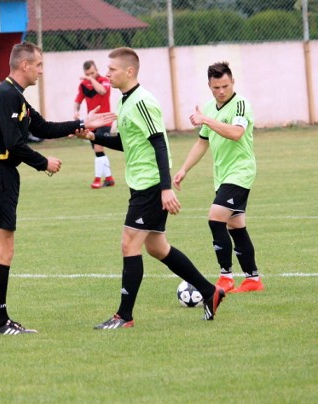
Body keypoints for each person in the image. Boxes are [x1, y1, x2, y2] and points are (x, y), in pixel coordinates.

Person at [75, 47, 225, 329]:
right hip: (141, 185)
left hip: (151, 185)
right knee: (157, 247)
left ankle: (124, 316)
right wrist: (93, 136)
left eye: (112, 70)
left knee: (129, 244)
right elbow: (127, 143)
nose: (107, 74)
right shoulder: (123, 102)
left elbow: (159, 143)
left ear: (129, 71)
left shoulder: (143, 101)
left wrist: (165, 188)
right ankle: (210, 291)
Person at [0, 41, 111, 335]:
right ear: (24, 65)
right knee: (4, 250)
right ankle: (0, 321)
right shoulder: (7, 95)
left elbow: (43, 128)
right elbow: (13, 144)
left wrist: (81, 122)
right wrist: (43, 162)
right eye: (38, 65)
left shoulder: (14, 96)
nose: (41, 71)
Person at [173, 61, 262, 293]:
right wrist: (184, 169)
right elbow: (202, 143)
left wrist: (206, 120)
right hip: (223, 176)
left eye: (225, 85)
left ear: (232, 82)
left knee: (215, 218)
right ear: (209, 86)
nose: (221, 91)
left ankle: (225, 277)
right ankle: (253, 279)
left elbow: (235, 133)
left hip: (241, 172)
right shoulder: (209, 108)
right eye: (216, 87)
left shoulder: (241, 104)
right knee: (235, 225)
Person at [74, 60, 116, 189]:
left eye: (92, 73)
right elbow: (78, 100)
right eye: (88, 74)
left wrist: (91, 80)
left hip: (105, 120)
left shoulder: (104, 80)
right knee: (98, 152)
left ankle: (97, 180)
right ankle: (109, 179)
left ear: (97, 70)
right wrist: (75, 112)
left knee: (98, 148)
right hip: (92, 122)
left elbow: (102, 91)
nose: (91, 75)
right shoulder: (83, 85)